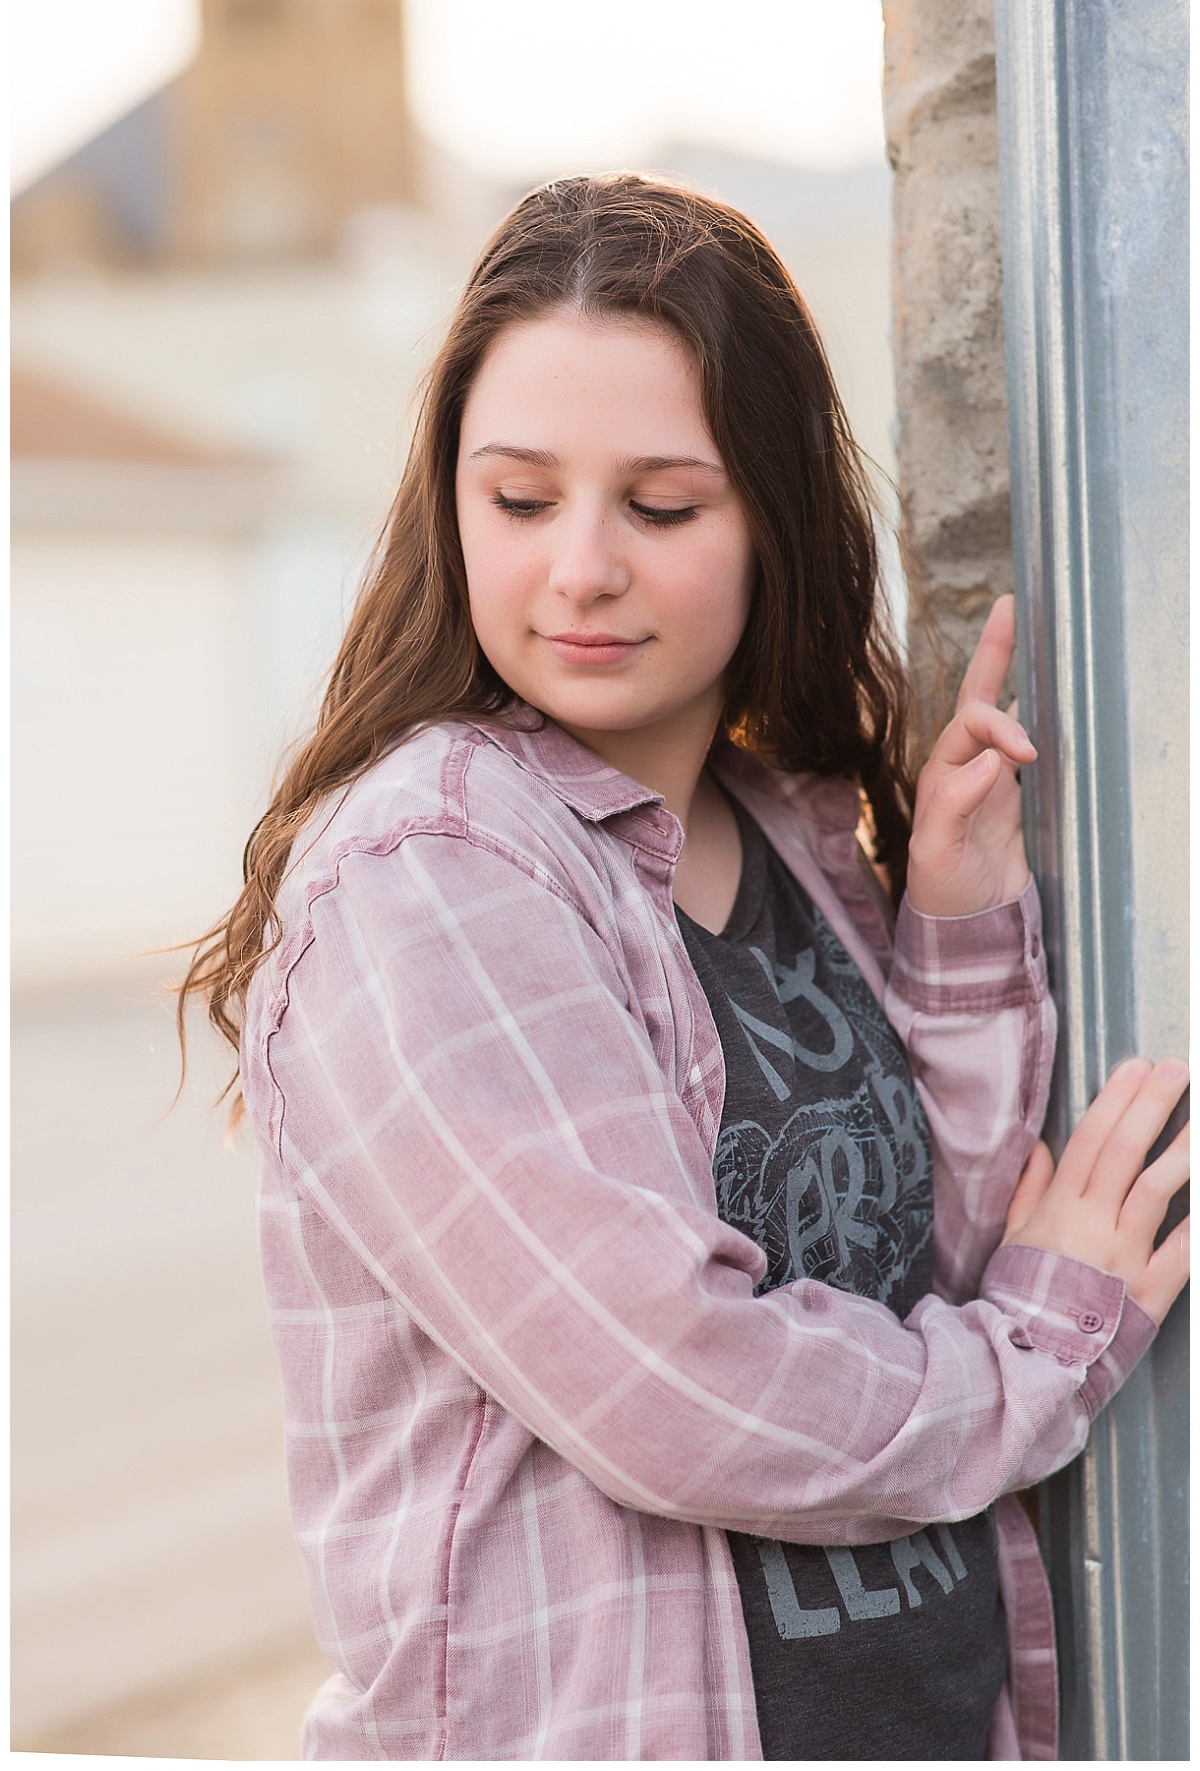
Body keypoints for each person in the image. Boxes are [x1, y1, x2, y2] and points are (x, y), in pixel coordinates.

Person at [181, 174, 1188, 1761]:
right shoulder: (427, 873)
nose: (581, 567)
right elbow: (675, 1380)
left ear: (776, 516)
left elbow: (946, 1258)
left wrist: (958, 917)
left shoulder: (792, 829)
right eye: (521, 500)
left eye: (660, 506)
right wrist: (1041, 1357)